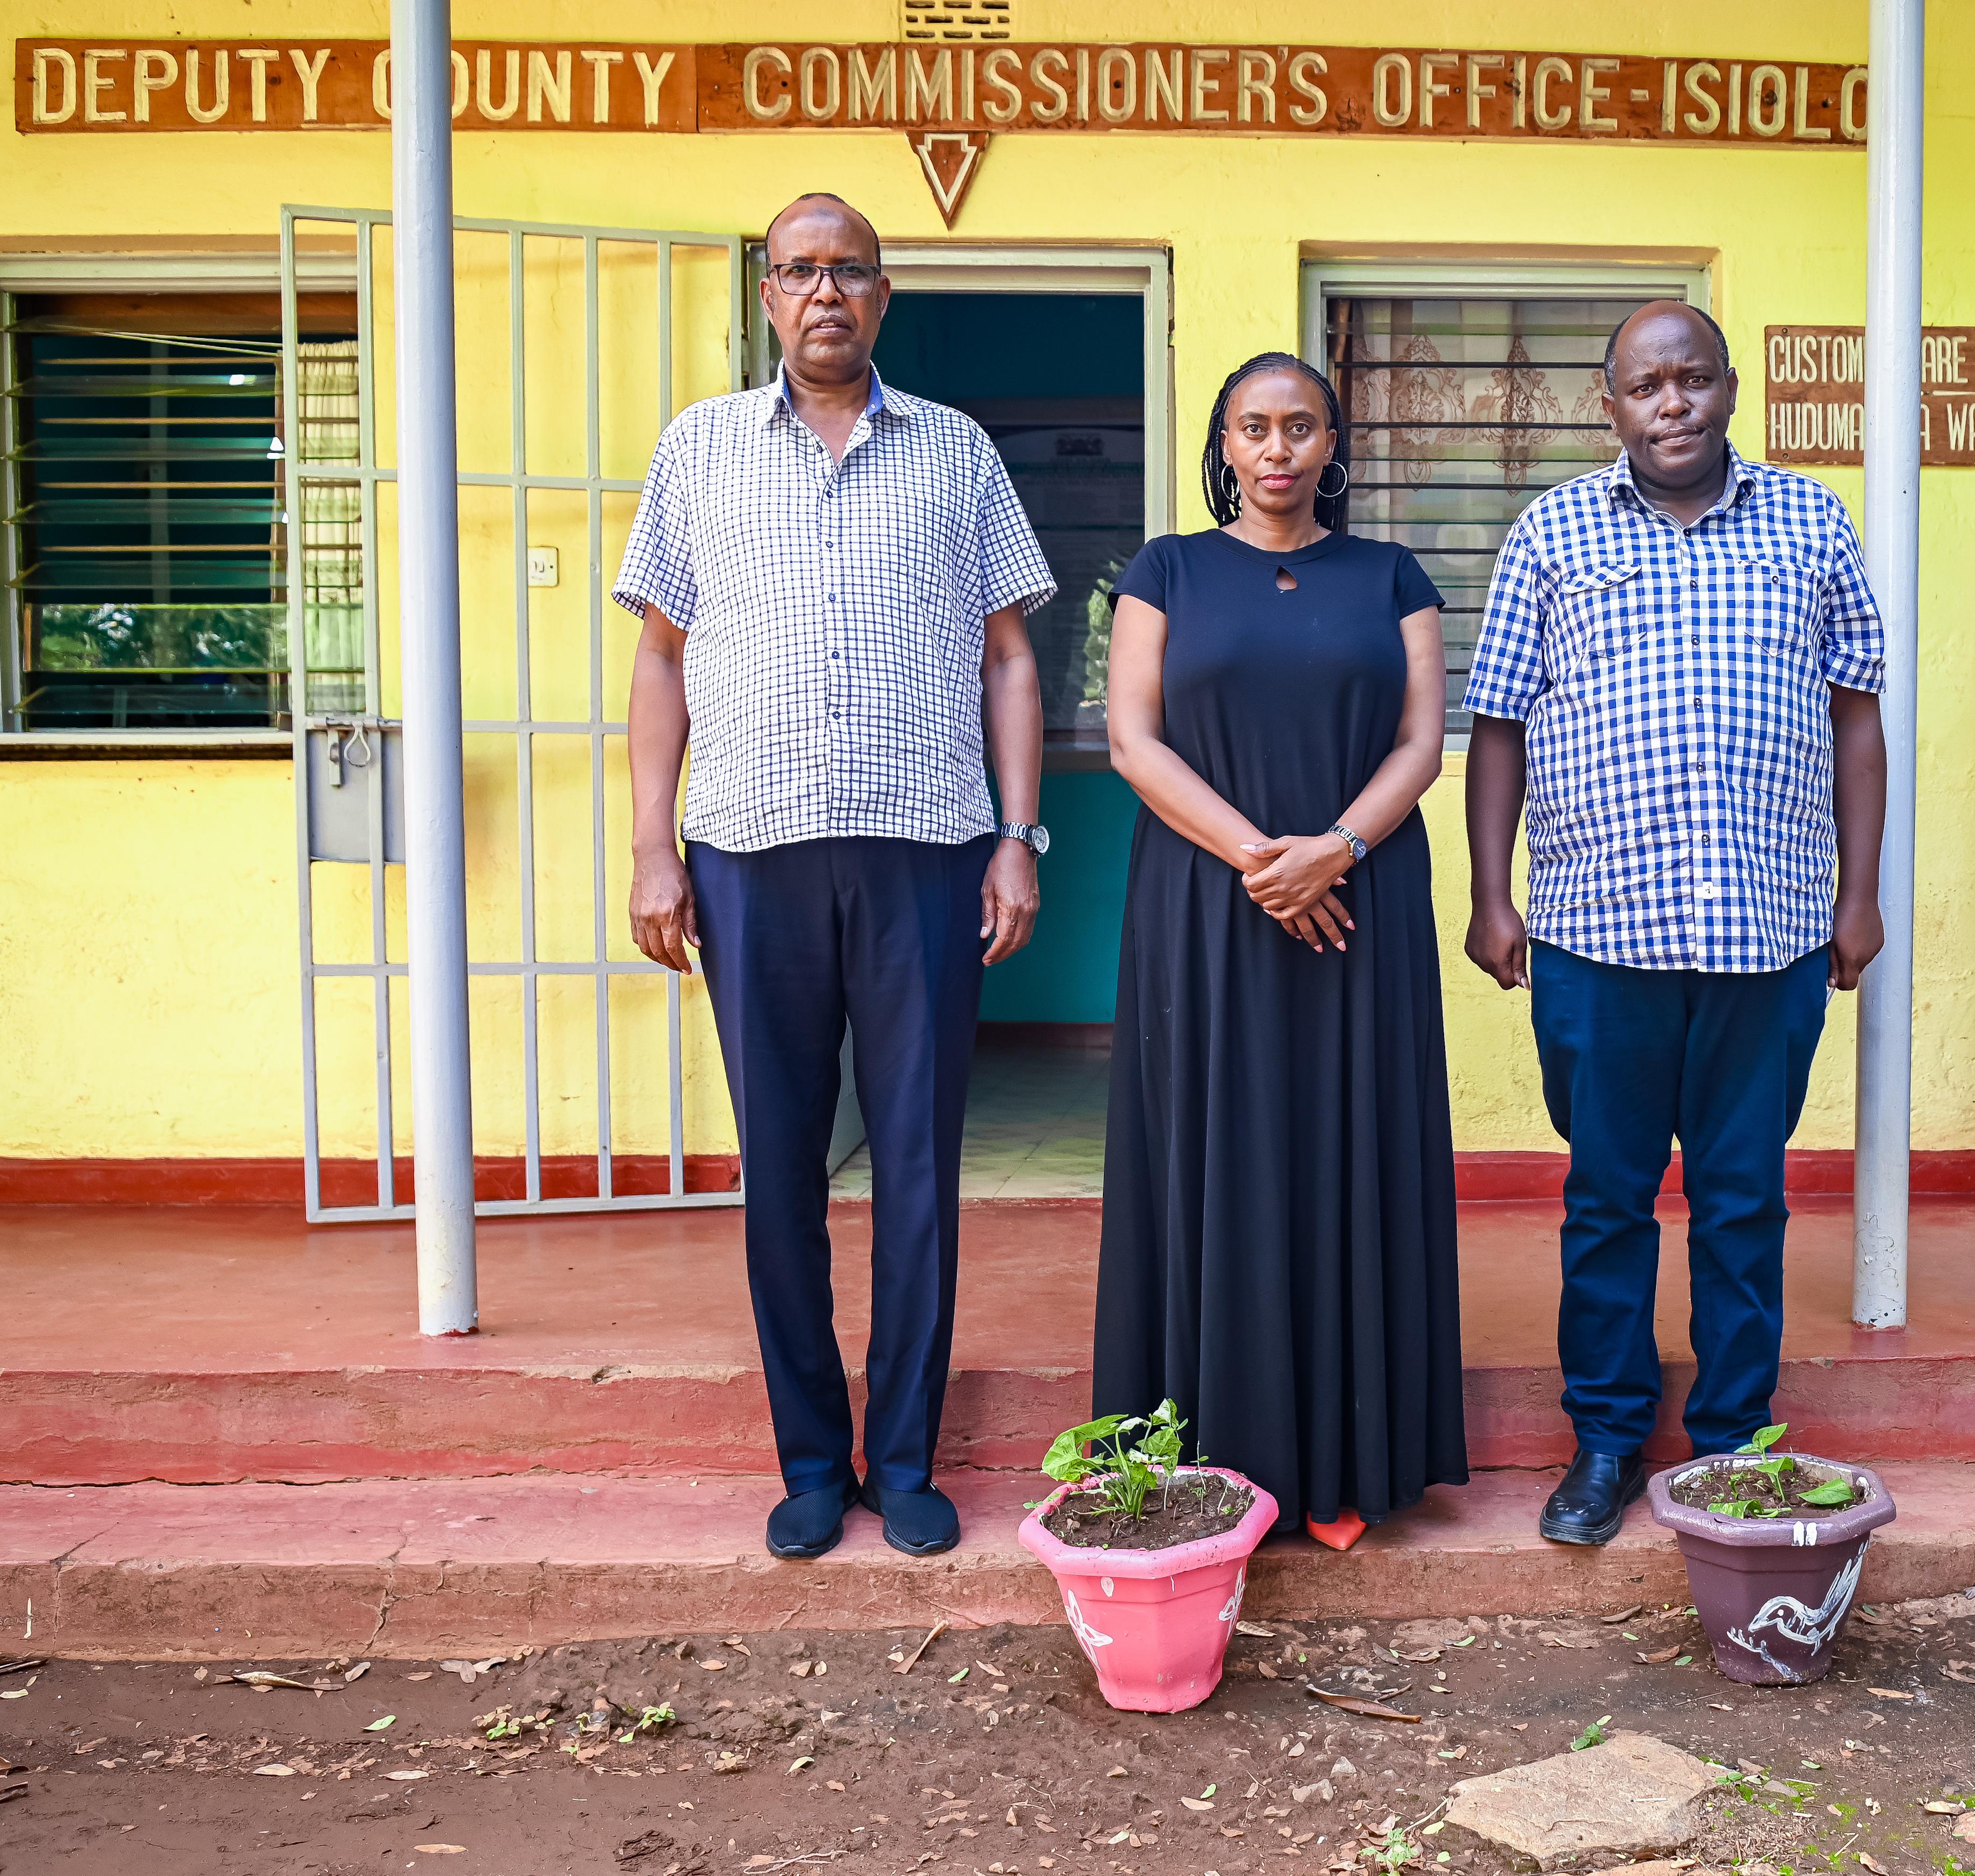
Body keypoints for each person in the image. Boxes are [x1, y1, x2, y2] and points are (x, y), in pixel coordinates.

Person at [614, 193, 1056, 1562]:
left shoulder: (958, 451)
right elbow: (660, 663)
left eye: (848, 271)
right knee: (781, 1174)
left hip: (927, 852)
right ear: (766, 295)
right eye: (800, 271)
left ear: (882, 293)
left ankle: (907, 1459)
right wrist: (648, 845)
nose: (824, 293)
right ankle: (813, 1461)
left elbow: (1008, 659)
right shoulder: (697, 451)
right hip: (749, 858)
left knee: (919, 1167)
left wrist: (1016, 837)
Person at [1462, 301, 1888, 1547]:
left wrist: (1857, 895)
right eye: (1647, 385)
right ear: (1611, 404)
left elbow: (1855, 715)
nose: (1673, 404)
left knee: (1744, 1198)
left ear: (1728, 389)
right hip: (1599, 932)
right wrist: (1493, 895)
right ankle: (1603, 1436)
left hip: (1771, 931)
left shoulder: (1809, 521)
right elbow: (1498, 725)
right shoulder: (1552, 531)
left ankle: (1730, 1447)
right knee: (1605, 1197)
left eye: (1694, 379)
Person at [1093, 351, 1467, 1551]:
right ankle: (1215, 1456)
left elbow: (1422, 742)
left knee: (1345, 1149)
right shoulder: (1167, 571)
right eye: (1253, 428)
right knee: (1216, 1148)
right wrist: (1268, 859)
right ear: (1223, 443)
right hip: (1210, 910)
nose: (1276, 449)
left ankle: (1350, 1460)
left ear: (1330, 442)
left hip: (1360, 909)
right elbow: (1133, 742)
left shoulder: (1392, 574)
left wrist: (1337, 850)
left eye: (1299, 427)